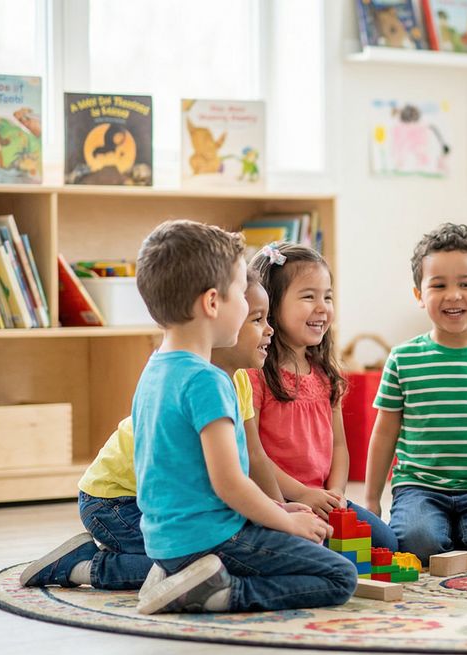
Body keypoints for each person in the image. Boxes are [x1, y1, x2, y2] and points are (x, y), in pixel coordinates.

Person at [129, 220, 354, 614]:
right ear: (214, 303)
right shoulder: (209, 382)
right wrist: (286, 523)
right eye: (242, 297)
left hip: (165, 544)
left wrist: (280, 509)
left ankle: (180, 576)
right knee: (340, 576)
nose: (251, 309)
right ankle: (222, 592)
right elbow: (232, 483)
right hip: (212, 541)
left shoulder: (155, 369)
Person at [20, 271, 287, 591]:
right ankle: (83, 565)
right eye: (256, 318)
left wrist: (278, 514)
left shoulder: (238, 379)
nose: (270, 329)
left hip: (163, 501)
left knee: (226, 552)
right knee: (203, 563)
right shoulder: (190, 381)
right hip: (114, 501)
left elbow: (255, 456)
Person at [365, 223, 467, 566]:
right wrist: (370, 499)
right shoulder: (403, 358)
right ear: (418, 295)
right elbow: (384, 433)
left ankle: (460, 535)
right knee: (416, 544)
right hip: (419, 486)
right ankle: (448, 534)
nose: (453, 295)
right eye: (438, 285)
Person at [248, 242, 397, 552]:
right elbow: (252, 454)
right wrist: (301, 494)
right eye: (308, 296)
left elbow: (339, 446)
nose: (323, 307)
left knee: (386, 542)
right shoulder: (255, 373)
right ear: (272, 305)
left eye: (327, 296)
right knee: (310, 549)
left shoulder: (325, 373)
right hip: (276, 498)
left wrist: (336, 495)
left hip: (320, 497)